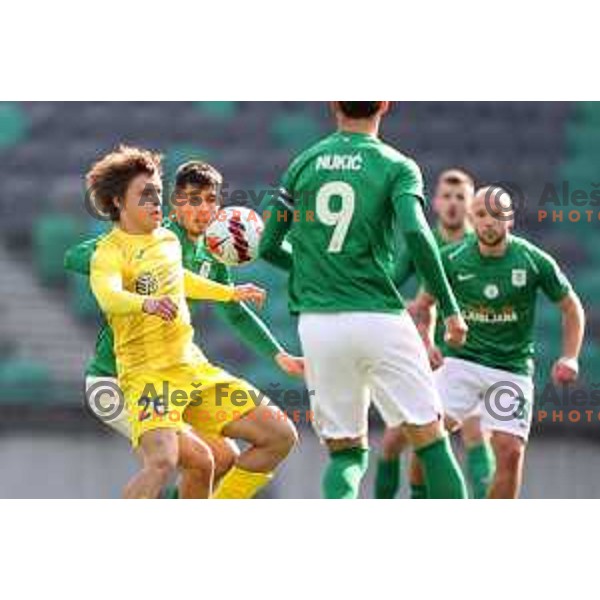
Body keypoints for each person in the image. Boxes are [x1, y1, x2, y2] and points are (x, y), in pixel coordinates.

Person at [260, 101, 468, 499]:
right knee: (431, 441)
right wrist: (452, 309)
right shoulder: (397, 165)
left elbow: (268, 246)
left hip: (319, 325)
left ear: (334, 103)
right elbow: (418, 235)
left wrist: (316, 272)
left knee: (346, 456)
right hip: (379, 317)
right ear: (386, 104)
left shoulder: (304, 162)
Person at [66, 160, 304, 498]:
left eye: (210, 200)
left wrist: (277, 354)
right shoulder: (148, 238)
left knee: (231, 455)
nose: (203, 209)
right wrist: (130, 272)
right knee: (183, 461)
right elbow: (75, 257)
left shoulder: (212, 249)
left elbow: (233, 312)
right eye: (193, 200)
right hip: (117, 380)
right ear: (175, 204)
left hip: (182, 370)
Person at [417, 186, 585, 498]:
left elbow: (571, 307)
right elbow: (423, 305)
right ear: (472, 218)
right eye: (481, 214)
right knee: (427, 437)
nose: (488, 221)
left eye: (496, 214)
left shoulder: (533, 260)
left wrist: (570, 356)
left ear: (510, 218)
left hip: (510, 369)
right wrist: (428, 343)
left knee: (509, 452)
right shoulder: (451, 258)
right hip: (459, 364)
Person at [375, 169, 496, 500]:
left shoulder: (482, 246)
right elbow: (389, 285)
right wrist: (415, 319)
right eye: (447, 196)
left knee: (473, 431)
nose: (453, 204)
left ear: (472, 206)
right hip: (428, 354)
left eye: (461, 197)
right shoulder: (422, 242)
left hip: (472, 352)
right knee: (395, 440)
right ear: (435, 203)